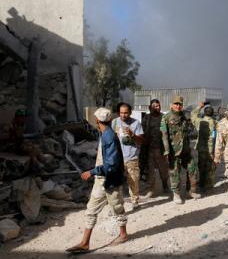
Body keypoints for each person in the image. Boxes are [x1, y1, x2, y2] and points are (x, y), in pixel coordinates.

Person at [66, 108, 127, 253]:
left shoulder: (109, 137)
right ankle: (85, 243)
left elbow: (111, 165)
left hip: (110, 180)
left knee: (117, 208)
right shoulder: (104, 134)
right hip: (102, 179)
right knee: (91, 210)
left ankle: (123, 234)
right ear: (110, 120)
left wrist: (91, 172)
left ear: (97, 121)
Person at [161, 96, 200, 204]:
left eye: (180, 104)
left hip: (185, 150)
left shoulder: (184, 116)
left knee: (193, 168)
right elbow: (164, 135)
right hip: (174, 151)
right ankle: (176, 194)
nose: (178, 106)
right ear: (172, 105)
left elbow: (186, 132)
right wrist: (167, 151)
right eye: (176, 104)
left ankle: (191, 191)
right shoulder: (166, 117)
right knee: (175, 173)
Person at [111, 103, 144, 208]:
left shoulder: (136, 123)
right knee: (117, 182)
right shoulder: (115, 122)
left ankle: (135, 201)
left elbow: (141, 141)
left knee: (133, 181)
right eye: (121, 113)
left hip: (131, 157)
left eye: (126, 113)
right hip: (118, 158)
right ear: (118, 113)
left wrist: (132, 134)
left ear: (130, 112)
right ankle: (118, 203)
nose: (123, 115)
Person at [142, 99, 170, 198]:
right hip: (149, 149)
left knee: (163, 170)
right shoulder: (146, 117)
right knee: (150, 171)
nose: (156, 108)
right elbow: (142, 132)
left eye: (158, 106)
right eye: (154, 106)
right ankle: (150, 189)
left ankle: (165, 185)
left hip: (161, 149)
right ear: (150, 107)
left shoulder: (164, 117)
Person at [191, 102, 217, 192]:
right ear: (212, 113)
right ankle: (208, 185)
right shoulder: (215, 122)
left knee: (201, 165)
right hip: (210, 148)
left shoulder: (199, 121)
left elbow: (193, 114)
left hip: (201, 147)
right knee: (210, 166)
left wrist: (200, 106)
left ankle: (201, 185)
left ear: (204, 113)